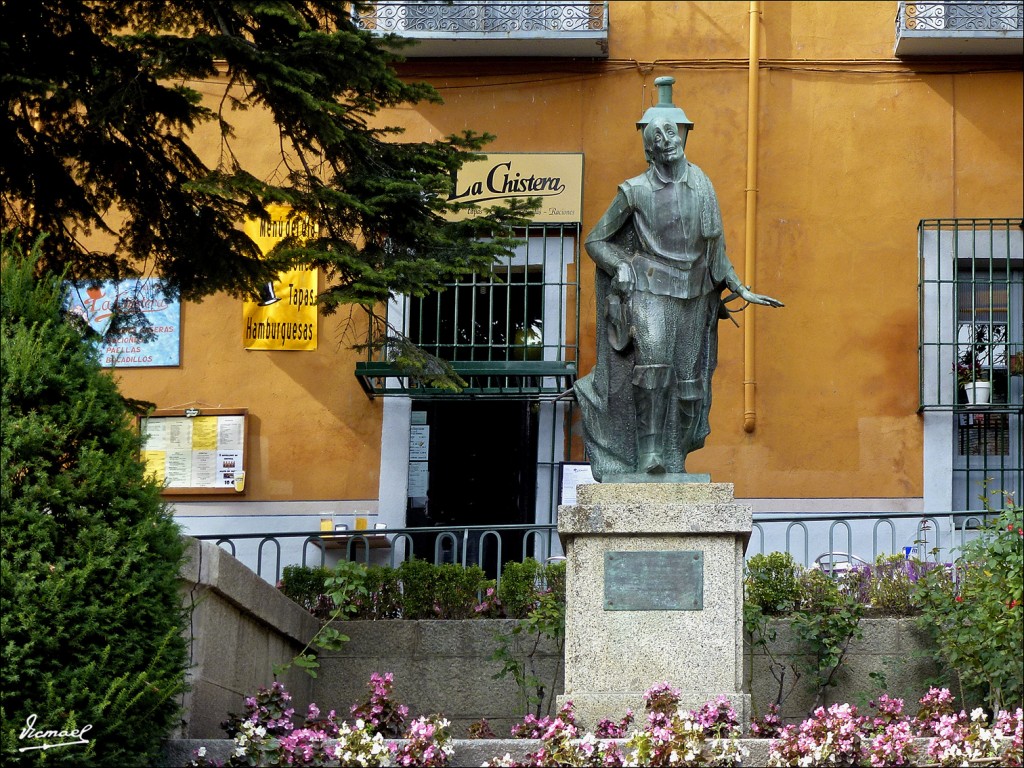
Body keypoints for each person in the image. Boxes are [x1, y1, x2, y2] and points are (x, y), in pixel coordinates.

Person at [575, 82, 782, 481]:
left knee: (691, 387)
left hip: (695, 295)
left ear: (684, 135)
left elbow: (714, 247)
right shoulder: (633, 191)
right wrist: (620, 265)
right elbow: (595, 240)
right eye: (657, 136)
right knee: (653, 370)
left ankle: (675, 454)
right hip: (650, 290)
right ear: (648, 147)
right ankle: (649, 453)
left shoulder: (702, 184)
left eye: (672, 133)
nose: (666, 141)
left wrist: (740, 288)